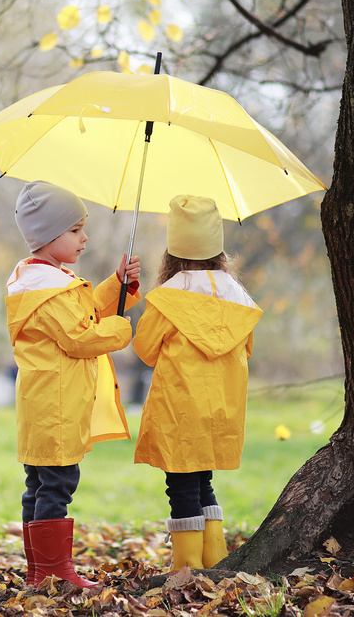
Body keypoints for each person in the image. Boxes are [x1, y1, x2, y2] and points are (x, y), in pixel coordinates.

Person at [6, 180, 141, 588]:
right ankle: (53, 573)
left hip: (43, 407)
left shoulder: (44, 283)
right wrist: (120, 330)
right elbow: (81, 336)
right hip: (56, 408)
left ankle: (39, 572)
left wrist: (117, 284)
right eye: (75, 230)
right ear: (48, 236)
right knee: (57, 486)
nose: (85, 238)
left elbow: (83, 312)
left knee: (41, 486)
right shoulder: (48, 291)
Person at [132, 194, 262, 571]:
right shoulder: (239, 298)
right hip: (221, 409)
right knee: (203, 481)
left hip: (180, 409)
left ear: (173, 251)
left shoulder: (169, 296)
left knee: (182, 486)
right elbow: (247, 348)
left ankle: (185, 570)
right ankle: (214, 561)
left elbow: (144, 347)